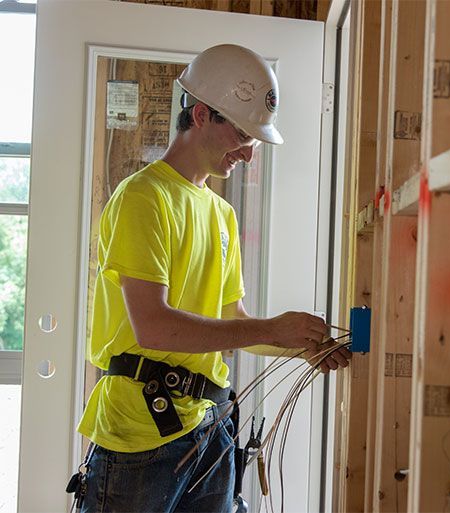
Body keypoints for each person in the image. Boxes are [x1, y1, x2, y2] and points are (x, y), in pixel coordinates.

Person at [76, 44, 351, 513]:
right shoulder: (144, 198)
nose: (248, 153)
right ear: (201, 115)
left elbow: (232, 319)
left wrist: (301, 343)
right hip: (141, 437)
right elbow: (154, 327)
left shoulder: (221, 214)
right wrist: (271, 329)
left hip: (209, 432)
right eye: (243, 134)